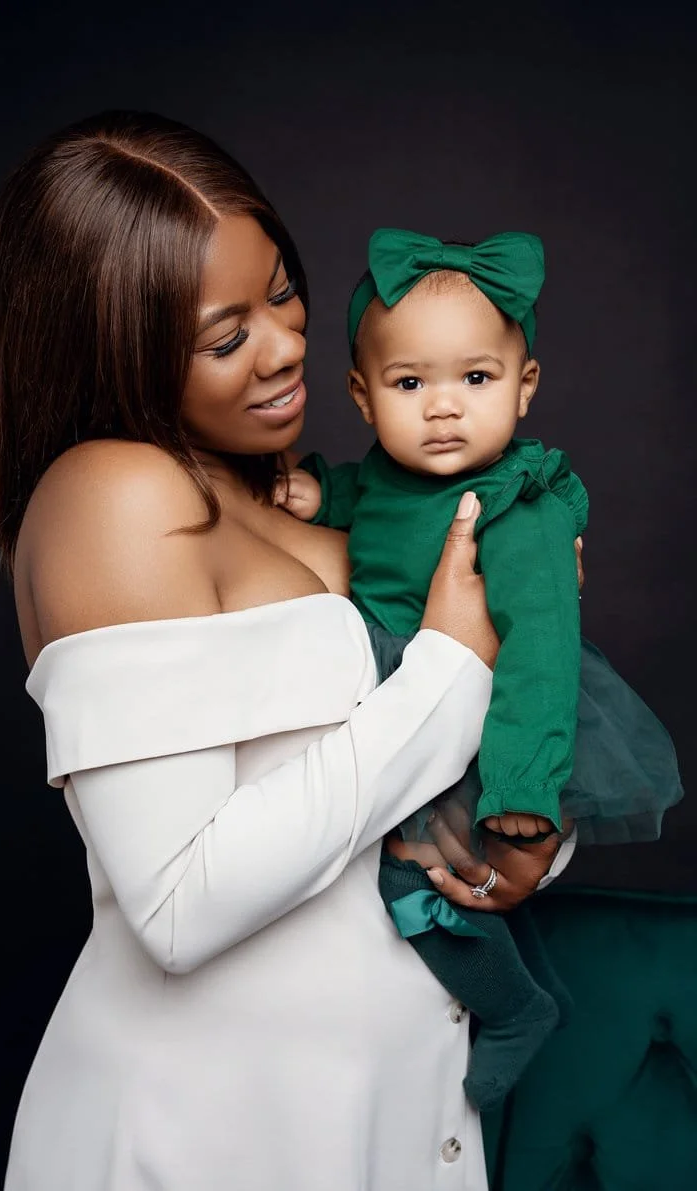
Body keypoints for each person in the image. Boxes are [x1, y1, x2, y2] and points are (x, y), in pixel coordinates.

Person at [0, 111, 577, 1191]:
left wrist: (516, 835)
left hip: (399, 1118)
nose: (289, 343)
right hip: (209, 1137)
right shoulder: (113, 497)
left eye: (283, 290)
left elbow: (396, 785)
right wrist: (452, 666)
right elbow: (177, 904)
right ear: (110, 349)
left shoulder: (296, 491)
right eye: (225, 337)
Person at [276, 229, 682, 1111]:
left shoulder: (520, 509)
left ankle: (514, 1008)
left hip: (492, 721)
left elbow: (540, 653)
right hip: (402, 690)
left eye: (476, 378)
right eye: (409, 384)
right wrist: (322, 492)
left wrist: (521, 790)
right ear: (362, 394)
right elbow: (373, 497)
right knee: (435, 880)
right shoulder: (389, 474)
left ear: (525, 386)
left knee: (411, 873)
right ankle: (533, 981)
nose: (443, 409)